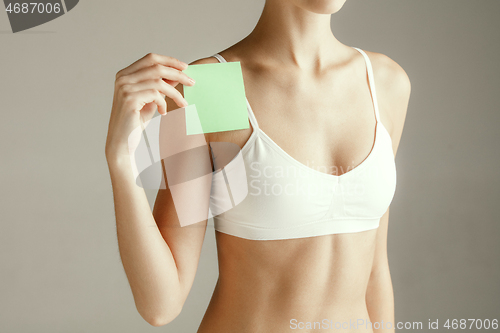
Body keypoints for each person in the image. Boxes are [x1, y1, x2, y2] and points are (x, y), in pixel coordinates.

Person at [105, 0, 411, 331]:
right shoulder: (211, 89)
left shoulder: (384, 83)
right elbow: (161, 305)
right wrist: (121, 158)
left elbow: (375, 270)